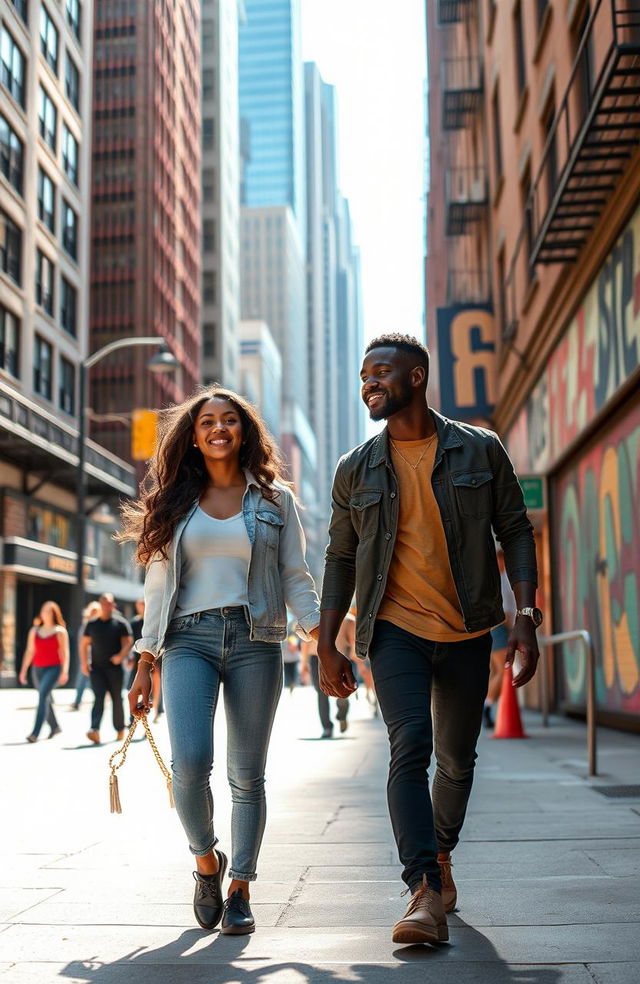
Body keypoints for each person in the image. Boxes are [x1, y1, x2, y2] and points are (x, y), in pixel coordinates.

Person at [317, 333, 541, 946]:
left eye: (381, 372)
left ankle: (440, 854)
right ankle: (421, 890)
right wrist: (327, 642)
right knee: (409, 744)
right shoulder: (354, 468)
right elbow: (340, 555)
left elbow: (515, 530)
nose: (369, 383)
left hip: (468, 626)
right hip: (393, 629)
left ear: (416, 378)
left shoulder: (479, 449)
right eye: (364, 374)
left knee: (457, 758)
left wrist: (526, 612)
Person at [121, 386, 320, 936]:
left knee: (247, 775)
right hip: (189, 640)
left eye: (229, 420)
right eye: (207, 420)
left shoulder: (275, 500)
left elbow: (294, 577)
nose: (218, 428)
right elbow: (158, 586)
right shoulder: (175, 500)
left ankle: (241, 889)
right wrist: (144, 660)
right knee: (188, 763)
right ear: (193, 433)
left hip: (257, 639)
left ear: (243, 430)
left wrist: (321, 633)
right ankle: (207, 861)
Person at [80, 593, 132, 745]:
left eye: (108, 603)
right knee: (98, 697)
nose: (105, 606)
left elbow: (128, 642)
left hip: (114, 668)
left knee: (117, 698)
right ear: (99, 604)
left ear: (113, 605)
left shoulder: (120, 623)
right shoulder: (92, 624)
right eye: (103, 603)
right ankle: (94, 729)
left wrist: (120, 656)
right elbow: (84, 644)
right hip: (96, 668)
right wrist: (84, 663)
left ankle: (120, 729)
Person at [19, 601, 70, 742]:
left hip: (54, 668)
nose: (45, 614)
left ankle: (35, 733)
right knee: (45, 697)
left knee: (42, 697)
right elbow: (29, 651)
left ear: (54, 614)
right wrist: (23, 670)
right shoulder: (34, 631)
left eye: (49, 611)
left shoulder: (60, 631)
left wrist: (65, 671)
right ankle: (55, 727)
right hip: (37, 669)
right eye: (44, 611)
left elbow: (65, 653)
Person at [484, 552, 517, 728]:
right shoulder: (497, 579)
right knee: (504, 671)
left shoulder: (503, 578)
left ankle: (487, 706)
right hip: (498, 628)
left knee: (497, 671)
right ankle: (487, 706)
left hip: (499, 628)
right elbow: (503, 611)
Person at [70, 601, 101, 710]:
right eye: (93, 611)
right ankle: (77, 702)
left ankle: (100, 698)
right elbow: (81, 643)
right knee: (82, 680)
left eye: (97, 611)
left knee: (94, 681)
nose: (95, 614)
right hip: (86, 658)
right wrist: (83, 659)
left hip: (97, 658)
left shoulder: (100, 625)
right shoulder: (85, 626)